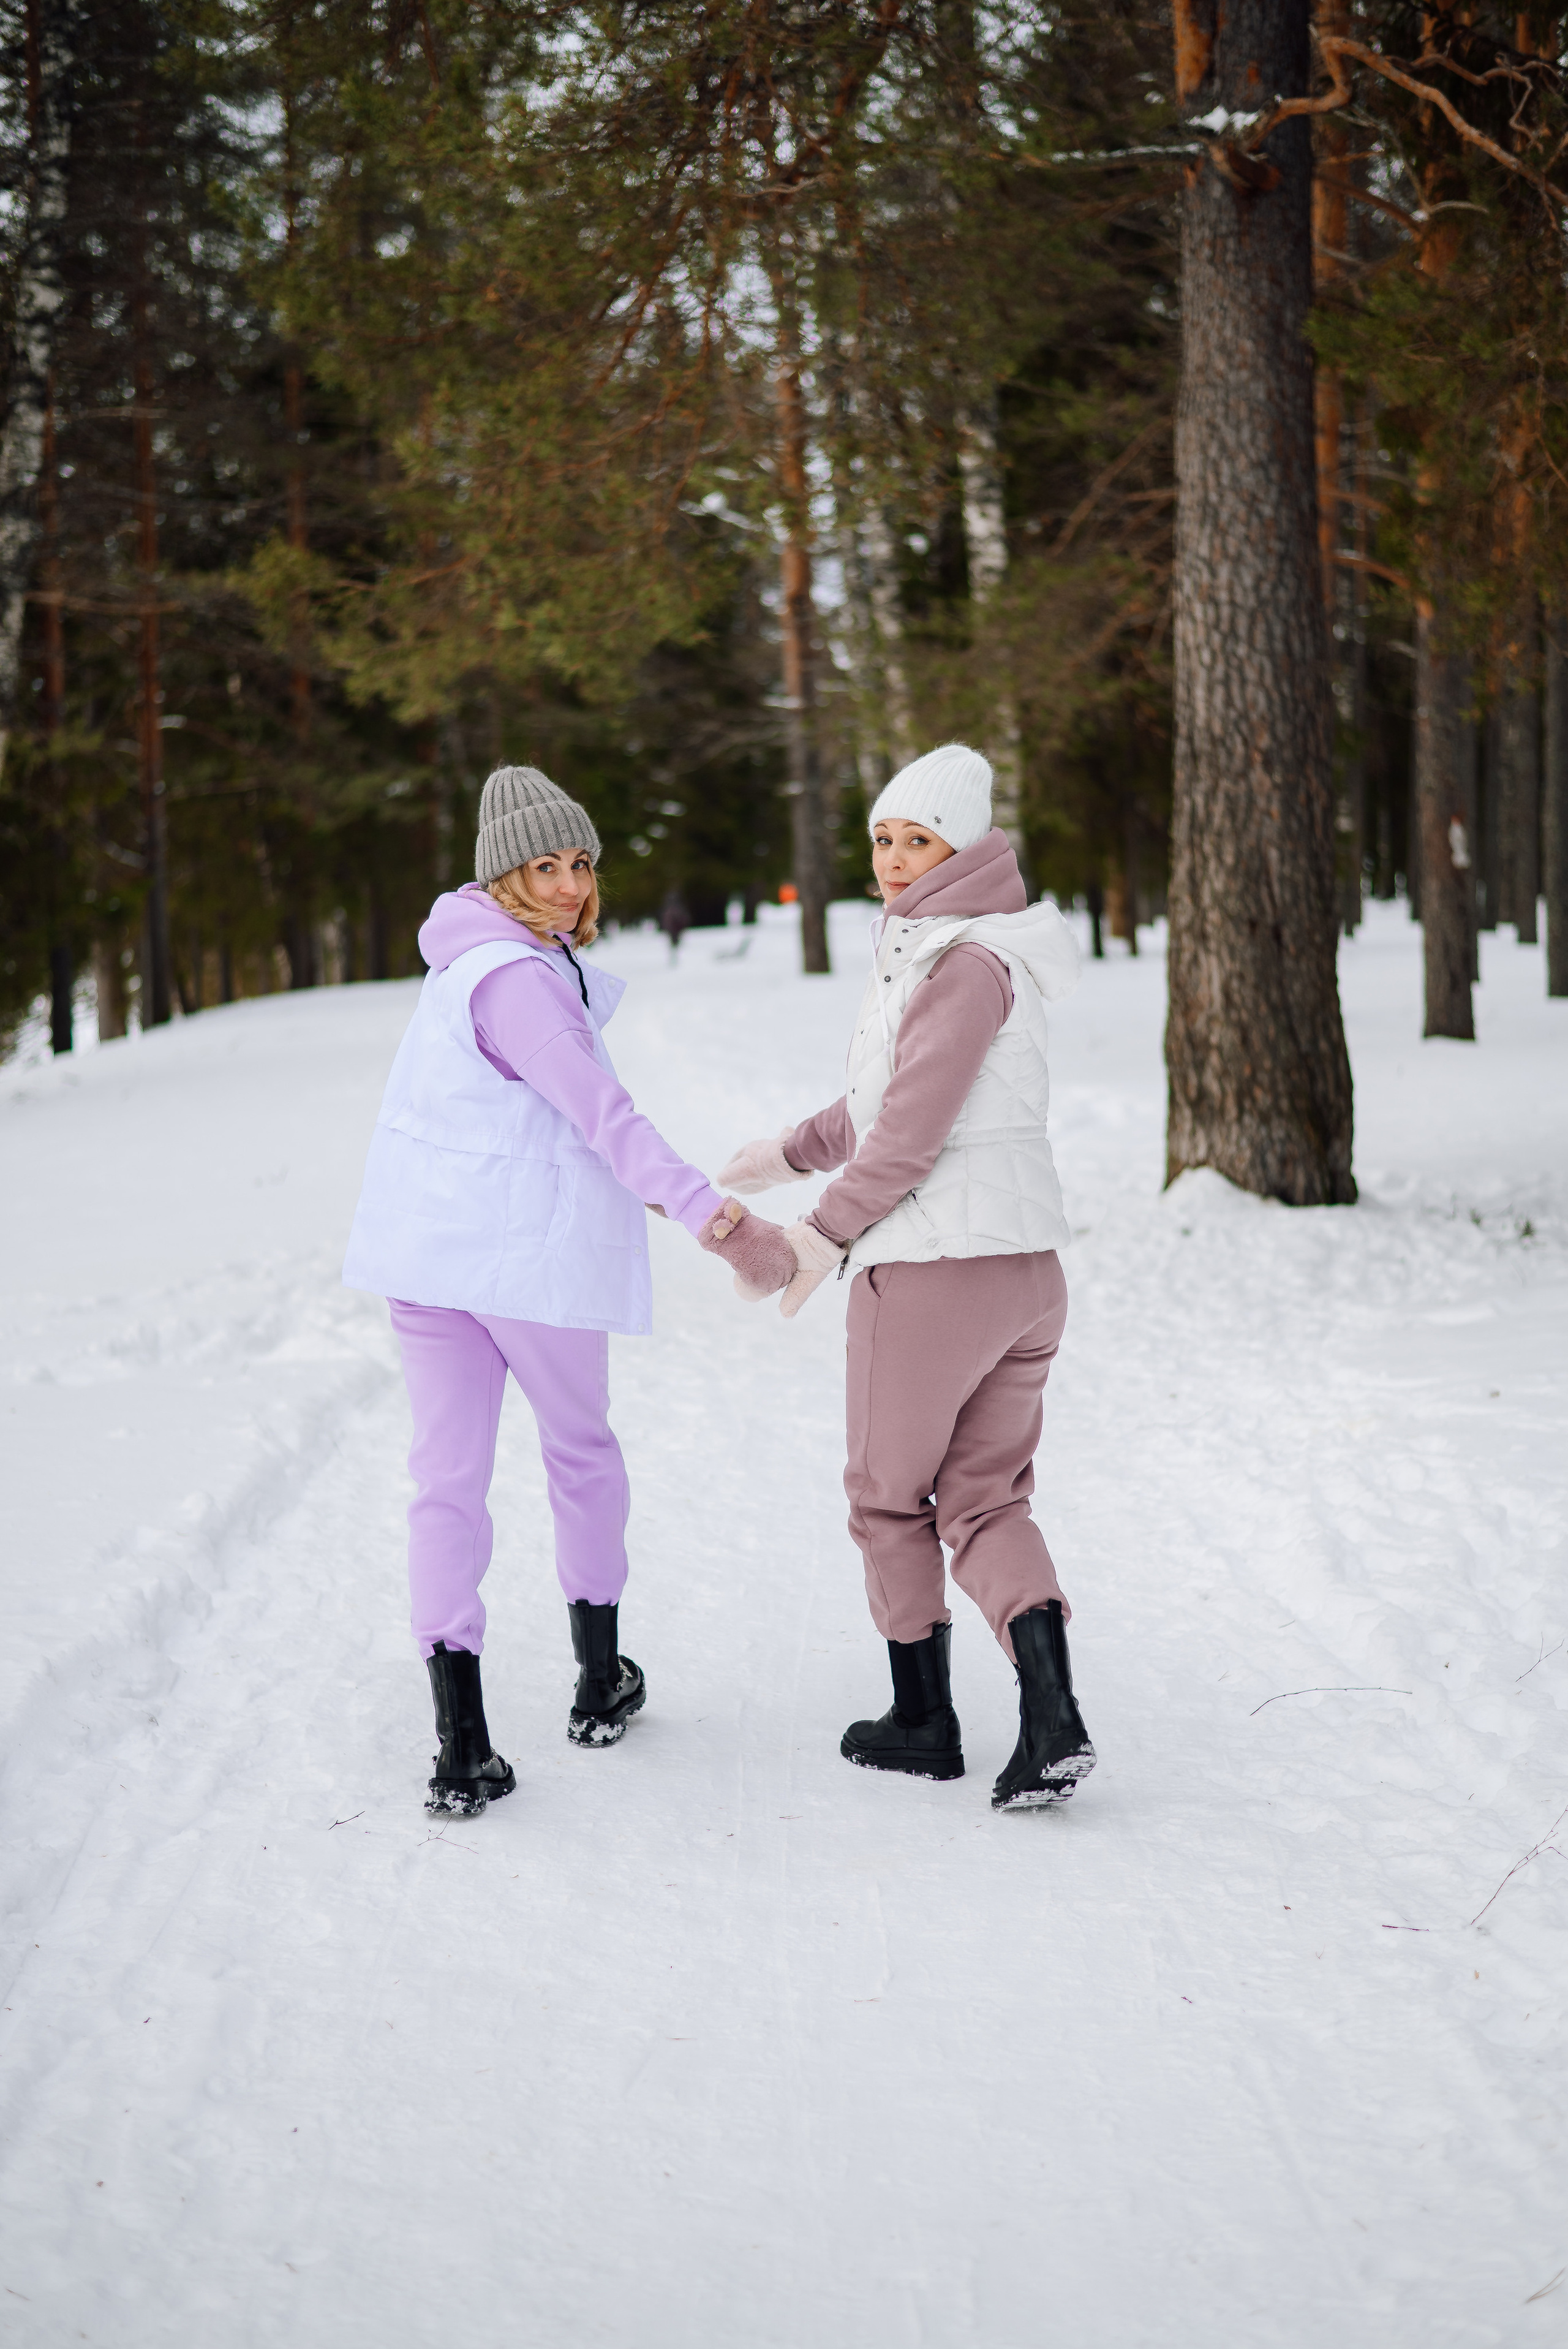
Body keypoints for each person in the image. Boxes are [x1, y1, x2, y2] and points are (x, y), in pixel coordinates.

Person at [343, 764, 785, 1817]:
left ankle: (462, 1744)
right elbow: (603, 1114)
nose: (572, 885)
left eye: (582, 862)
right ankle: (598, 1681)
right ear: (504, 873)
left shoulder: (463, 964)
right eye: (547, 865)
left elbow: (521, 1115)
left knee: (444, 1481)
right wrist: (716, 1220)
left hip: (430, 1257)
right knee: (578, 1451)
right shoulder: (522, 978)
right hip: (521, 1266)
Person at [712, 743, 1096, 1811]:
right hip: (1023, 1273)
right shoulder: (968, 950)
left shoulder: (958, 963)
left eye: (916, 839)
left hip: (932, 1273)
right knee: (984, 1496)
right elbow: (882, 1107)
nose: (891, 857)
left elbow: (909, 1140)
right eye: (882, 836)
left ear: (962, 846)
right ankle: (1051, 1716)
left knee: (888, 1498)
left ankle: (923, 1718)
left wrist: (815, 1235)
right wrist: (787, 1148)